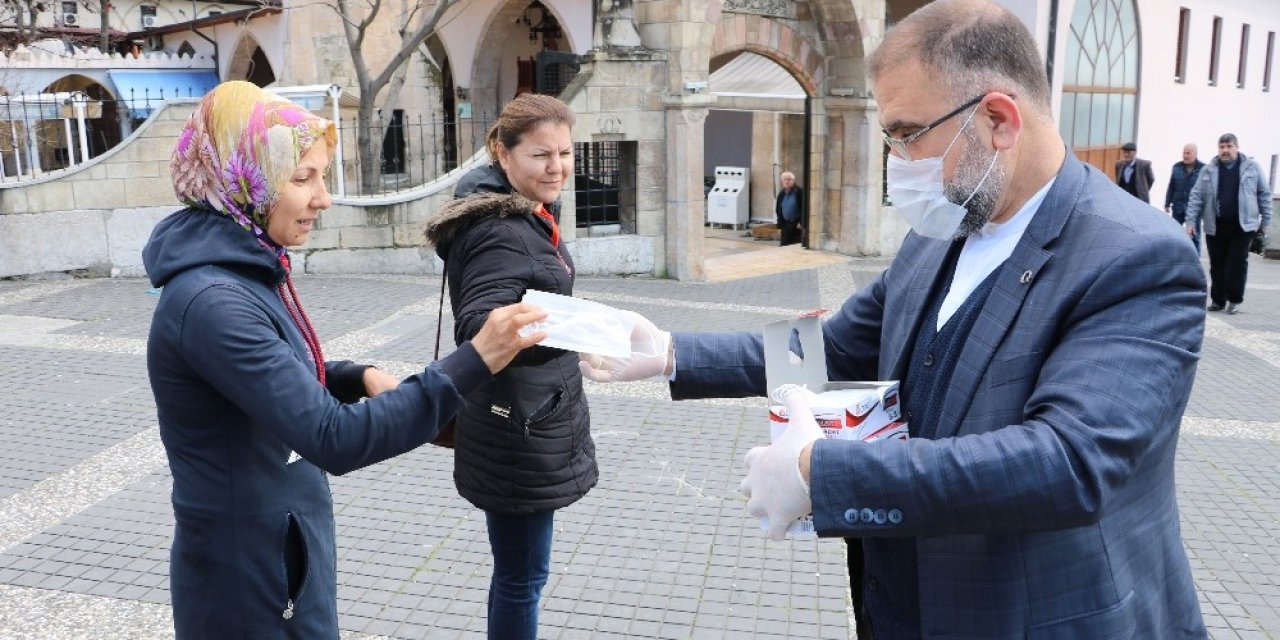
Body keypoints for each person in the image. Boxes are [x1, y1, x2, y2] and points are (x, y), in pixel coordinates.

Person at [580, 2, 1208, 638]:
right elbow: (835, 347)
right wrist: (673, 352)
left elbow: (1067, 463)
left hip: (1039, 618)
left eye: (908, 134)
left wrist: (814, 473)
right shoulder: (945, 229)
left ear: (998, 119)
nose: (896, 161)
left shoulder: (1137, 258)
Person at [144, 81, 547, 639]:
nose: (323, 198)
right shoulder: (213, 301)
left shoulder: (243, 267)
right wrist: (474, 360)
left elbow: (279, 374)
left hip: (278, 553)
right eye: (302, 178)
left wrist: (359, 376)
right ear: (244, 179)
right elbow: (335, 438)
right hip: (249, 582)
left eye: (322, 177)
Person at [424, 93, 595, 640]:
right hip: (519, 428)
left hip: (524, 419)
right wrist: (573, 332)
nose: (557, 168)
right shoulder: (501, 229)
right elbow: (478, 328)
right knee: (522, 578)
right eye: (541, 155)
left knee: (521, 574)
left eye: (565, 153)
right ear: (501, 152)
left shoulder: (520, 210)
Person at [1185, 133, 1273, 315]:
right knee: (1217, 264)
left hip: (1243, 226)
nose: (1225, 150)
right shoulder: (1209, 169)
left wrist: (1265, 222)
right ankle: (1218, 300)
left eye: (1228, 146)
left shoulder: (1252, 167)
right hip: (1215, 225)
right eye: (1221, 147)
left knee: (1236, 263)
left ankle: (1234, 299)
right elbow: (1196, 196)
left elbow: (1264, 194)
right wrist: (1191, 221)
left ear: (1237, 147)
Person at [1165, 143, 1206, 255]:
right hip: (1178, 207)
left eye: (1188, 153)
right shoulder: (1176, 167)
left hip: (1194, 210)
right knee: (1175, 234)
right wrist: (1167, 203)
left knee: (1194, 235)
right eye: (1184, 153)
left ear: (1195, 154)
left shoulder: (1203, 169)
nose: (1185, 155)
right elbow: (1171, 186)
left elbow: (1206, 190)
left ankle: (1195, 260)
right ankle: (1176, 258)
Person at [775, 170, 805, 246]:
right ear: (782, 182)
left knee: (796, 247)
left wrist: (802, 222)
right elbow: (778, 210)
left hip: (797, 226)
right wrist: (780, 224)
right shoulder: (781, 194)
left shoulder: (799, 192)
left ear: (793, 181)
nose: (787, 181)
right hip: (786, 225)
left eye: (789, 179)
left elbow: (804, 208)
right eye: (784, 180)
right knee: (783, 248)